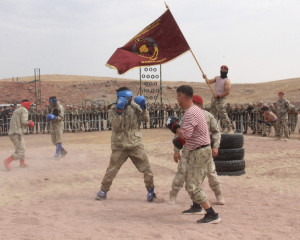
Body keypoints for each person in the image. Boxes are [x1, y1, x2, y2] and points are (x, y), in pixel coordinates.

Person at [166, 85, 221, 224]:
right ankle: (197, 206)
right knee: (192, 181)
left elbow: (186, 136)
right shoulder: (194, 110)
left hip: (199, 152)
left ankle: (212, 214)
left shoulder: (190, 113)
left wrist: (175, 127)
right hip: (197, 150)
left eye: (178, 96)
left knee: (192, 185)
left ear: (182, 97)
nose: (177, 99)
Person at [95, 87, 156, 202]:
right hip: (119, 145)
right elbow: (116, 126)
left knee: (146, 169)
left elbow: (146, 119)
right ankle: (103, 191)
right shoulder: (113, 108)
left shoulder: (135, 106)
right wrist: (119, 111)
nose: (126, 99)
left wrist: (144, 107)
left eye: (128, 97)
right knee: (112, 169)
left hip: (135, 144)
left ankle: (151, 192)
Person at [4, 99, 34, 170]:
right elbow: (23, 121)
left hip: (14, 132)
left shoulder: (17, 110)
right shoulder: (24, 110)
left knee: (22, 146)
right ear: (27, 104)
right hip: (16, 133)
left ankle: (22, 163)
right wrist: (29, 123)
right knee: (21, 150)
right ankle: (7, 161)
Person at [203, 65, 233, 133]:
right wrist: (205, 78)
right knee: (212, 114)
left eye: (224, 70)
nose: (222, 71)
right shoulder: (217, 78)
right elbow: (209, 82)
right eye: (221, 70)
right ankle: (213, 129)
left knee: (222, 113)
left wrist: (219, 96)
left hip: (221, 99)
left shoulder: (227, 81)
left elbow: (227, 92)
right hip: (214, 98)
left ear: (226, 71)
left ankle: (229, 128)